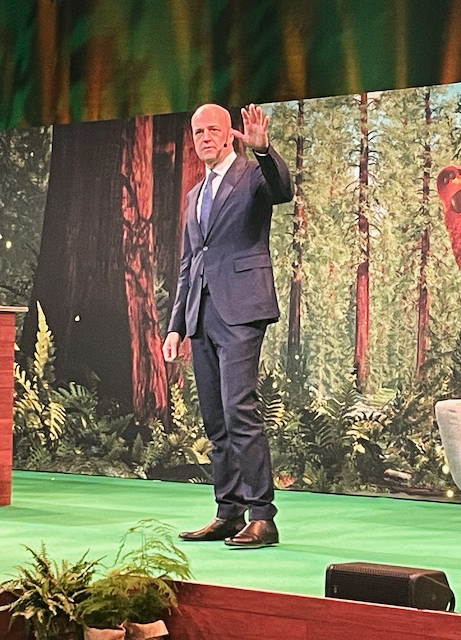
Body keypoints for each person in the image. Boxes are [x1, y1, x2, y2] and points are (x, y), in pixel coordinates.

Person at [162, 103, 293, 548]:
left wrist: (264, 150)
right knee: (216, 419)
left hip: (242, 309)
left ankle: (262, 516)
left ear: (230, 134)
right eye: (198, 131)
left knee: (240, 409)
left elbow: (282, 189)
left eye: (213, 129)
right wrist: (176, 325)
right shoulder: (194, 195)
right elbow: (188, 264)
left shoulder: (251, 174)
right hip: (202, 315)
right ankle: (229, 511)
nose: (204, 137)